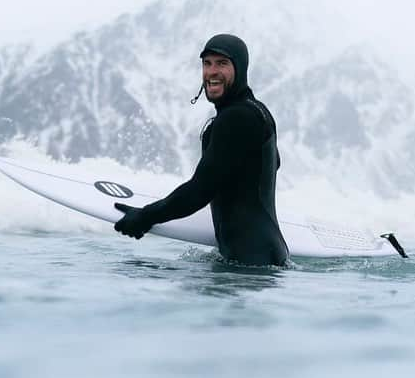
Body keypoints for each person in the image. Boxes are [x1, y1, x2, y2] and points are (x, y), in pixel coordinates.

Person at [114, 34, 289, 266]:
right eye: (207, 63)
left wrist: (145, 217)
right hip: (266, 256)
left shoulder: (236, 117)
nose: (212, 71)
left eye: (222, 63)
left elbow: (200, 191)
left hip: (248, 265)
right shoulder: (259, 112)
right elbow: (271, 164)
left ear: (240, 68)